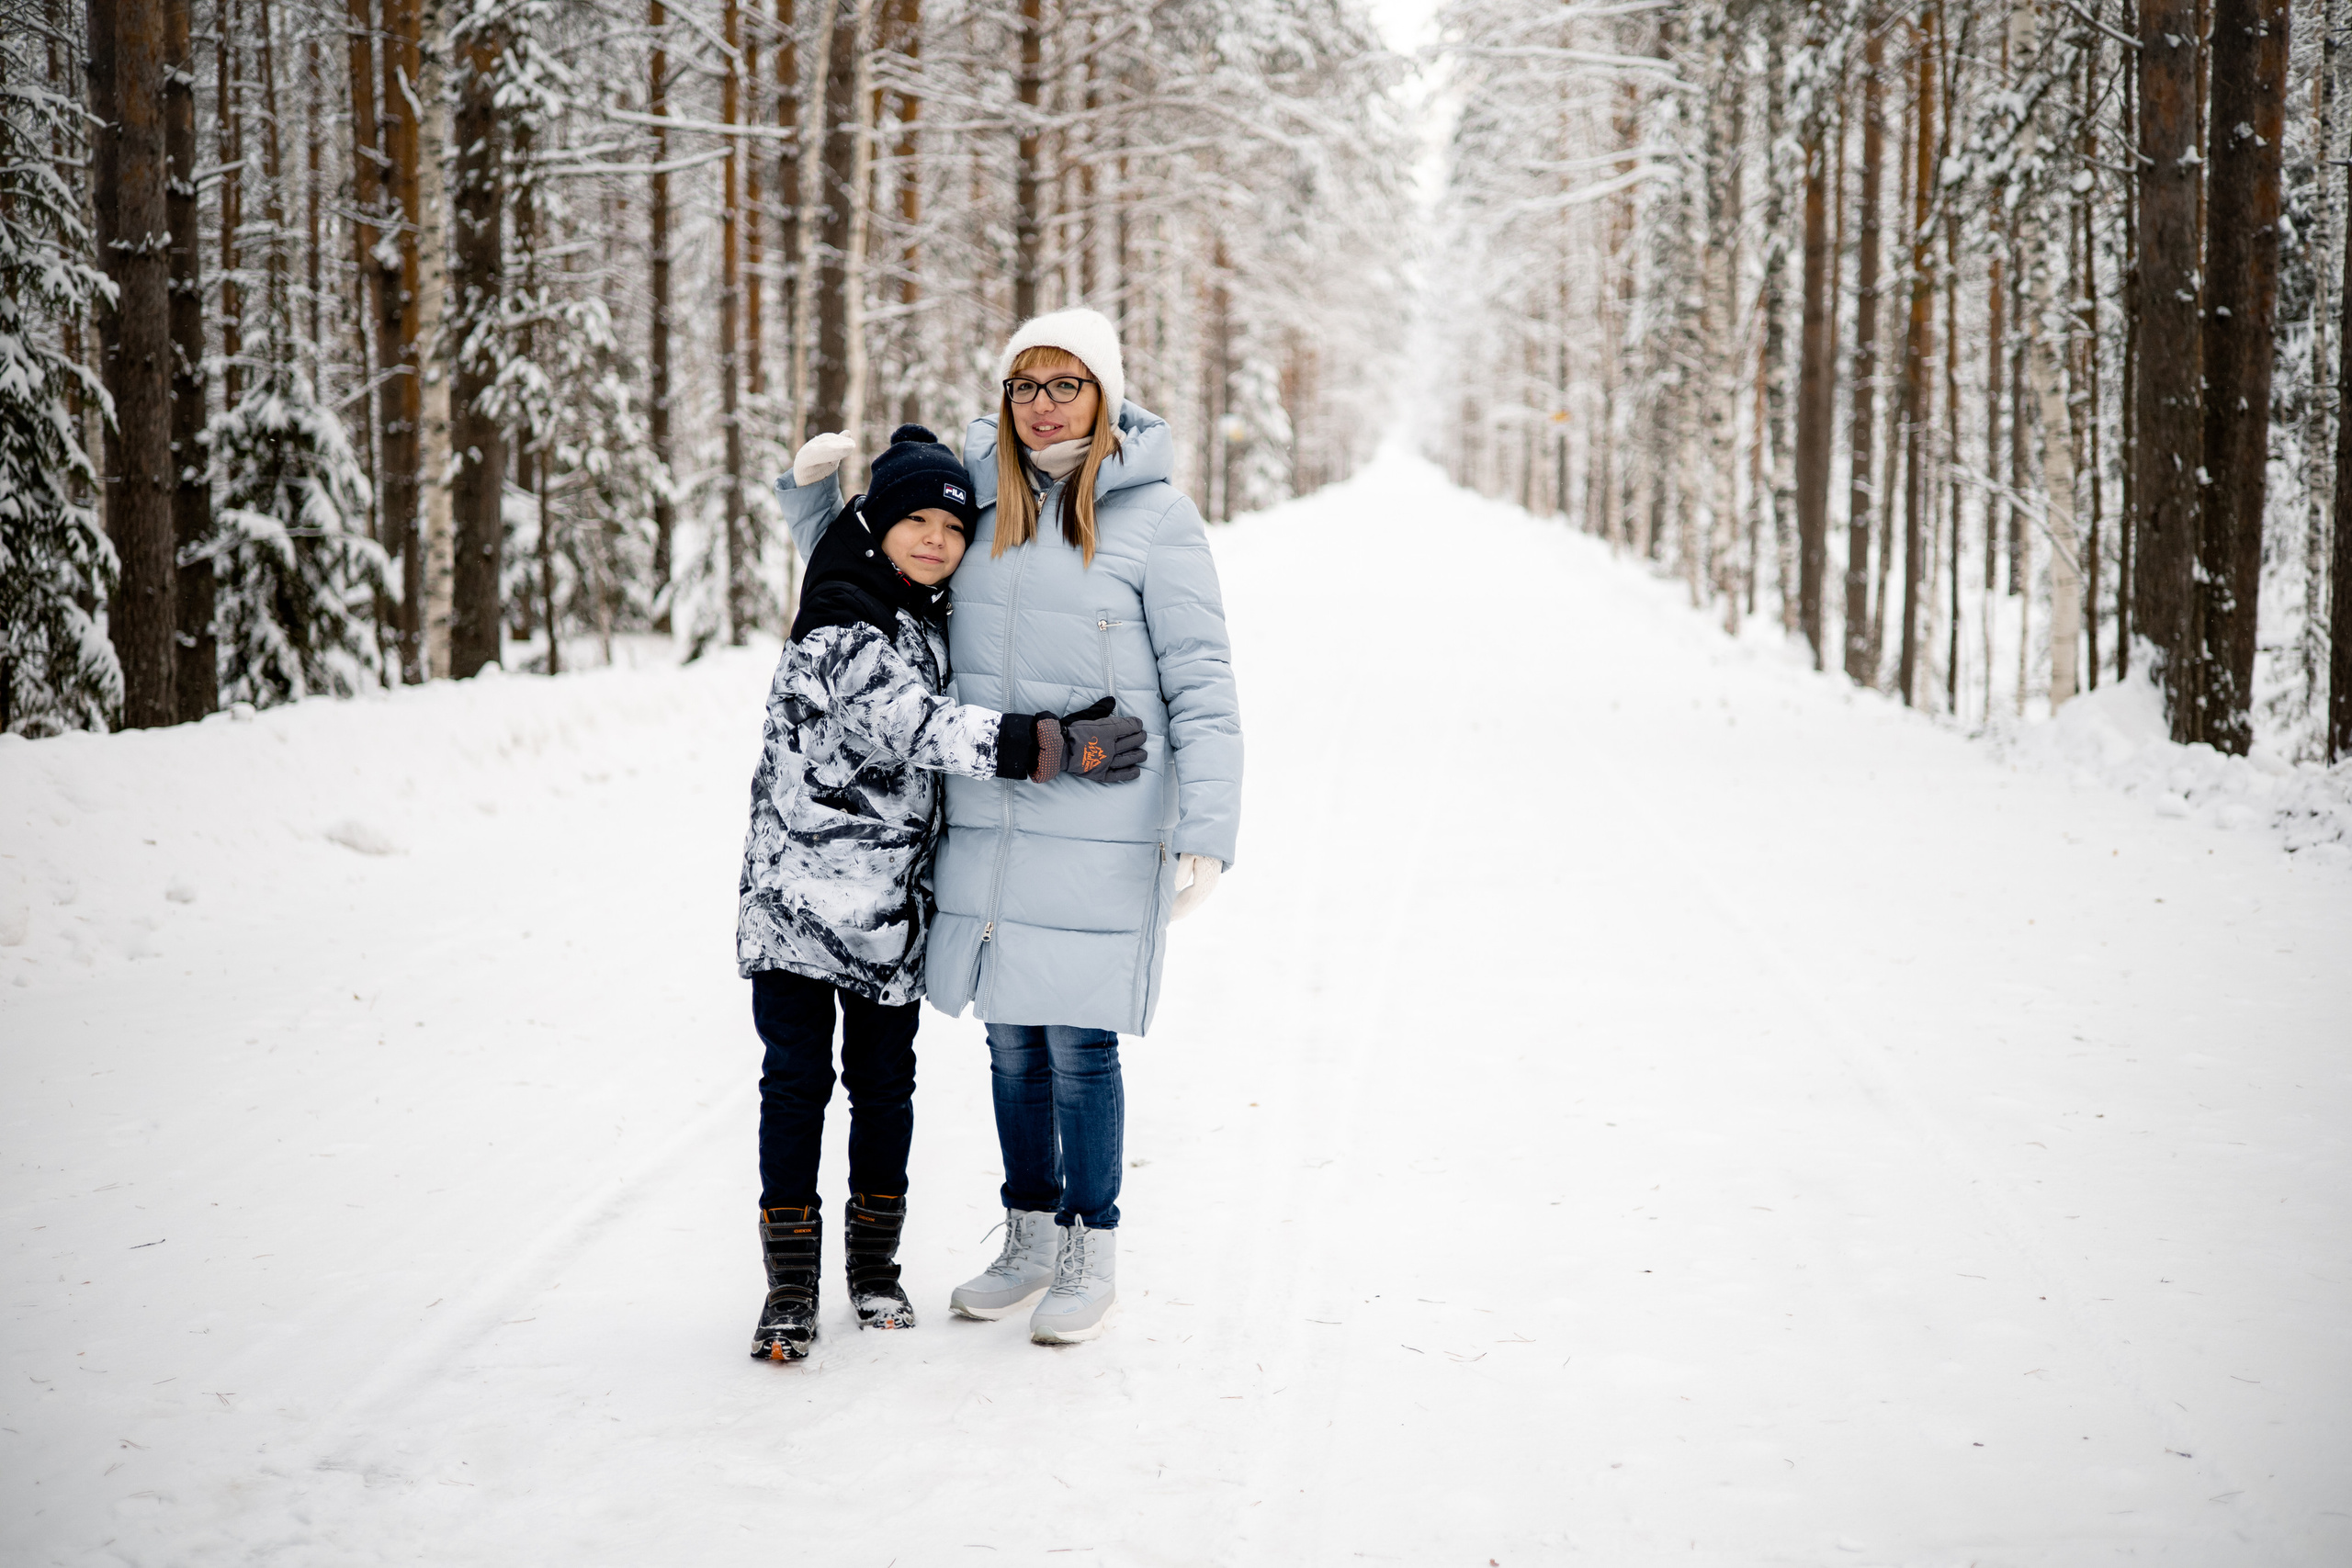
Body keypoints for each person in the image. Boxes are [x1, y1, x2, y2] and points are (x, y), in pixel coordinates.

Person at [740, 423, 1145, 1362]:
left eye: (952, 526)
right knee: (796, 1089)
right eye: (912, 520)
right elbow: (915, 724)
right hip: (799, 910)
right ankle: (790, 1288)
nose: (933, 539)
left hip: (888, 915)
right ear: (875, 527)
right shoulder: (839, 620)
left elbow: (862, 550)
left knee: (885, 1093)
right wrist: (1052, 745)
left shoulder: (920, 610)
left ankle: (874, 1271)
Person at [931, 309, 1244, 1345]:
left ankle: (1087, 1247)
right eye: (1025, 385)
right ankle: (1025, 1238)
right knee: (1010, 1038)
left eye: (1065, 385)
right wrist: (809, 501)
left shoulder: (1157, 518)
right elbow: (875, 570)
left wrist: (1207, 825)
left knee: (1077, 1040)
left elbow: (1201, 681)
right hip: (993, 815)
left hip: (1105, 817)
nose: (1043, 405)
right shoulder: (975, 505)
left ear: (1104, 396)